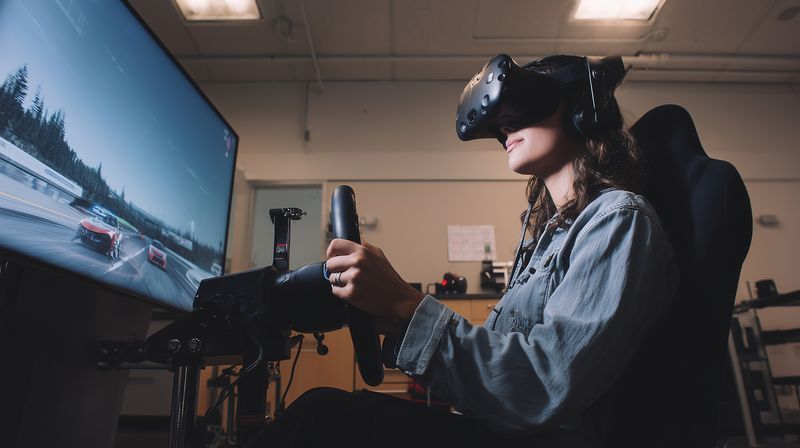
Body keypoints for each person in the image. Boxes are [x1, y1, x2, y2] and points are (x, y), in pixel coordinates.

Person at [247, 55, 679, 448]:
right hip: (505, 432)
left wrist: (406, 302)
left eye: (521, 112)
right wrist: (392, 315)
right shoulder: (546, 239)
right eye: (502, 122)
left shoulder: (618, 221)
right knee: (325, 412)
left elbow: (542, 386)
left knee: (323, 421)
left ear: (584, 111)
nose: (505, 128)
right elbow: (500, 355)